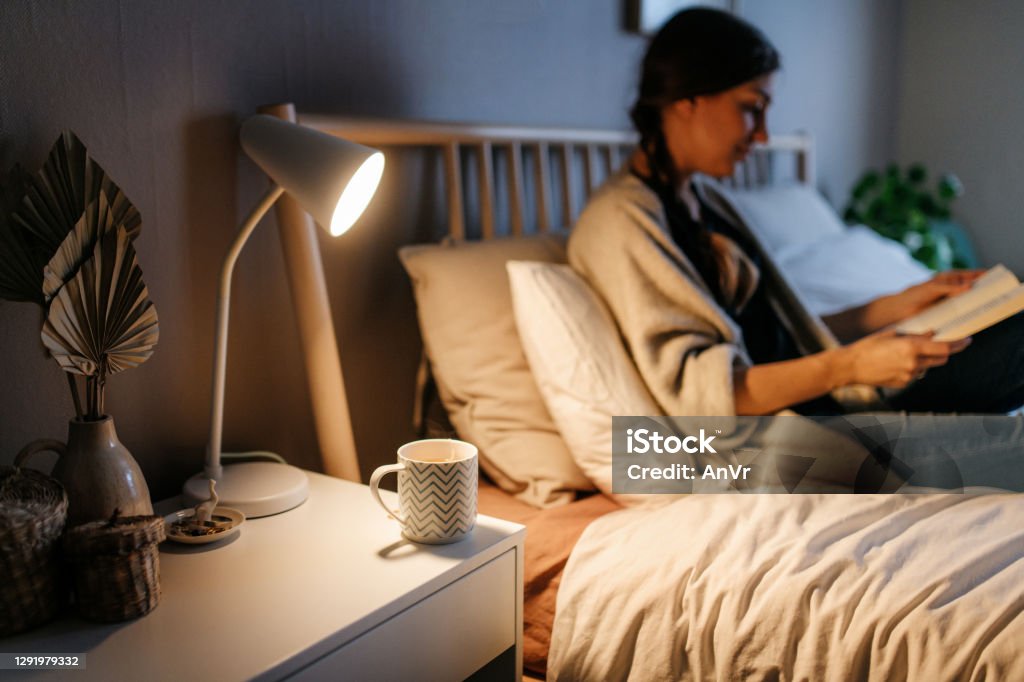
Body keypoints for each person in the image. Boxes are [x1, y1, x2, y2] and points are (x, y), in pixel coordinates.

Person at [569, 7, 1024, 418]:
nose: (762, 136)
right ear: (688, 98)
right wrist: (849, 365)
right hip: (794, 431)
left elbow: (779, 333)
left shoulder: (704, 200)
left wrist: (899, 305)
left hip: (829, 398)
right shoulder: (620, 223)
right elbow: (703, 394)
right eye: (751, 109)